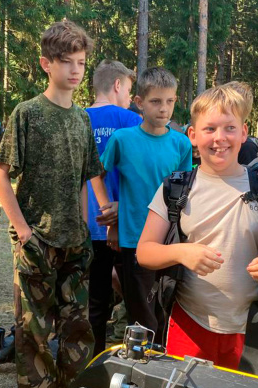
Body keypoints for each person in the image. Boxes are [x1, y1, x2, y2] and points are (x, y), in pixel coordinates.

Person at [137, 84, 258, 369]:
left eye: (230, 128)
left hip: (253, 328)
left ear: (243, 132)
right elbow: (144, 252)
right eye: (209, 129)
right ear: (192, 135)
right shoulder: (176, 187)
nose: (220, 138)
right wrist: (182, 252)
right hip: (188, 323)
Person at [0, 20, 102, 388]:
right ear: (45, 63)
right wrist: (24, 233)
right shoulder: (28, 113)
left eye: (81, 63)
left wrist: (86, 227)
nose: (74, 70)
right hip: (36, 241)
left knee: (77, 329)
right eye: (66, 62)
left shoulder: (82, 118)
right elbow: (0, 175)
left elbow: (85, 177)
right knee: (33, 334)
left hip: (75, 241)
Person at [100, 67, 193, 345]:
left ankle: (164, 364)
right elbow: (97, 173)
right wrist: (110, 214)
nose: (163, 109)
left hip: (169, 241)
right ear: (139, 102)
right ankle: (141, 369)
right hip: (133, 241)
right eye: (155, 101)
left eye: (169, 101)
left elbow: (186, 189)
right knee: (140, 314)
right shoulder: (122, 139)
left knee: (166, 308)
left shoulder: (181, 143)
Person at [85, 60, 142, 355]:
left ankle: (92, 362)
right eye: (130, 90)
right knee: (136, 301)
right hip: (124, 226)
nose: (130, 98)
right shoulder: (130, 120)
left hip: (87, 227)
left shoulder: (77, 119)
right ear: (117, 85)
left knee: (94, 304)